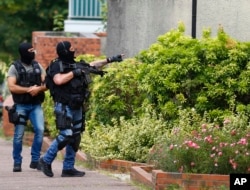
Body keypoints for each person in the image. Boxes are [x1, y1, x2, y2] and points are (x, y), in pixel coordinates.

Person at [39, 41, 123, 177]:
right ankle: (45, 160)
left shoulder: (75, 64)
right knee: (66, 134)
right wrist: (75, 73)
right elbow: (58, 80)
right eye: (71, 48)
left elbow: (92, 65)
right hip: (64, 105)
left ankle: (68, 168)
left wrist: (110, 59)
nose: (74, 50)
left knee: (75, 137)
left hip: (77, 105)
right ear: (65, 51)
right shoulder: (56, 65)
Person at [7, 42, 47, 172]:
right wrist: (28, 90)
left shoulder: (37, 66)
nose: (33, 52)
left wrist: (39, 89)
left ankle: (35, 160)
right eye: (30, 50)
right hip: (21, 106)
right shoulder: (14, 67)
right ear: (24, 52)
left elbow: (46, 83)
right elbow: (12, 86)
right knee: (18, 135)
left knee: (40, 130)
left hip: (36, 105)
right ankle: (17, 162)